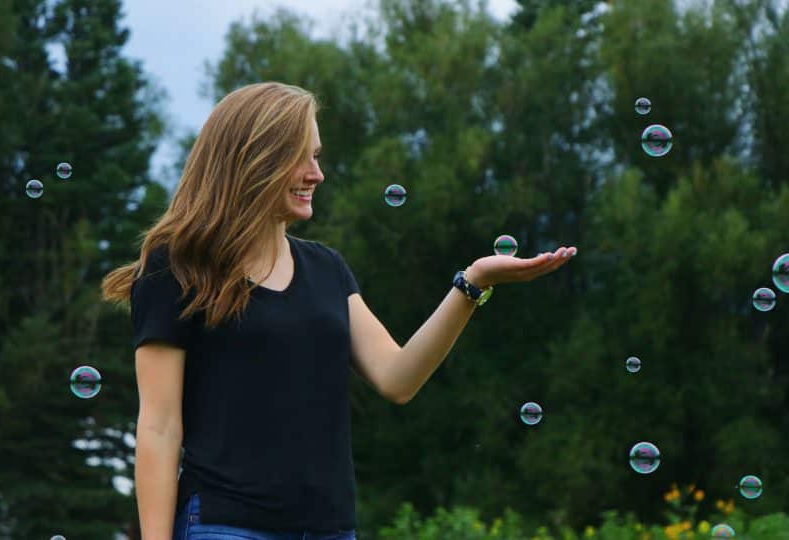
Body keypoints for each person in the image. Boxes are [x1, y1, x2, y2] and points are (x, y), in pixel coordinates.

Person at [100, 81, 576, 540]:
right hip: (225, 525)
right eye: (301, 157)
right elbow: (159, 427)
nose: (317, 173)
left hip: (329, 529)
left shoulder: (326, 269)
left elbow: (398, 377)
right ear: (255, 161)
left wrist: (472, 283)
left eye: (317, 156)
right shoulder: (175, 268)